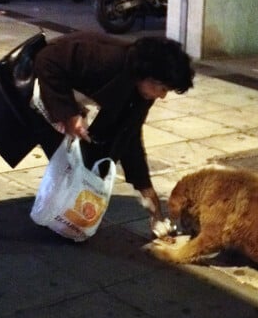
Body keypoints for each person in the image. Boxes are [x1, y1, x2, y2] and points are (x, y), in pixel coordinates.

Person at [31, 31, 195, 232]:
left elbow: (130, 134)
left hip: (77, 105)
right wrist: (70, 114)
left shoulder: (141, 90)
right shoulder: (106, 58)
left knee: (95, 158)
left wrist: (145, 188)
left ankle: (62, 216)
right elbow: (46, 59)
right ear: (148, 76)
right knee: (73, 159)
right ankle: (54, 213)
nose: (162, 97)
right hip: (43, 95)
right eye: (162, 89)